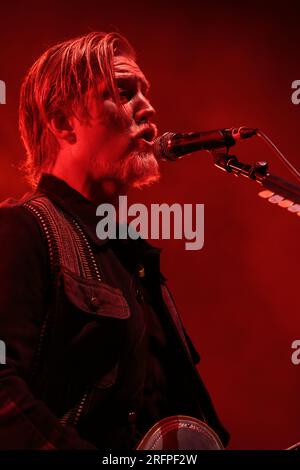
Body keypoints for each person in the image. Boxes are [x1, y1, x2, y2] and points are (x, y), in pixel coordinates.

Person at [0, 31, 229, 450]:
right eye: (122, 93)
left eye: (145, 92)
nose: (148, 106)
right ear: (62, 121)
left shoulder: (134, 259)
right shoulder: (23, 230)